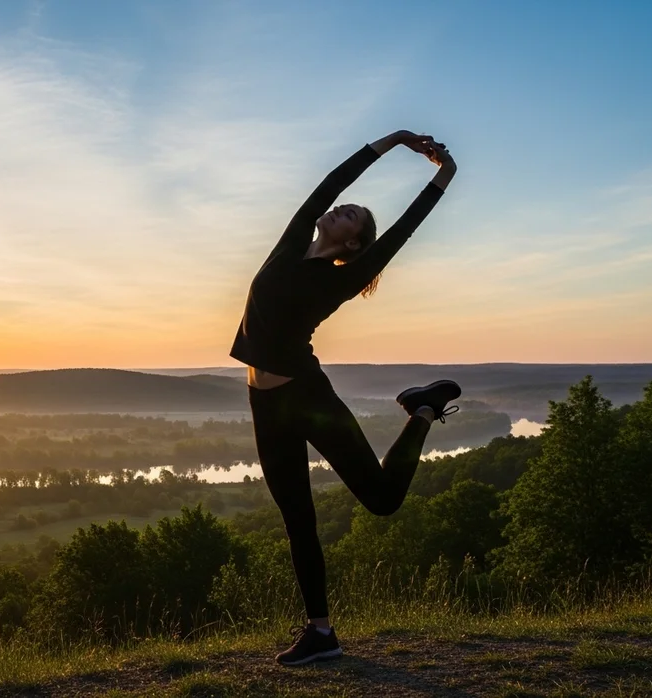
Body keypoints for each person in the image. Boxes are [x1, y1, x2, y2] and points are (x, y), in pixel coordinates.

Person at [230, 129, 461, 666]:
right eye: (343, 208)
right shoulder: (289, 246)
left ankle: (423, 410)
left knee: (382, 500)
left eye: (350, 215)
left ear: (354, 244)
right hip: (264, 404)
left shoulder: (346, 276)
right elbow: (332, 182)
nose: (339, 208)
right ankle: (321, 633)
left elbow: (403, 229)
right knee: (297, 519)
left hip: (307, 396)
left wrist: (444, 175)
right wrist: (396, 139)